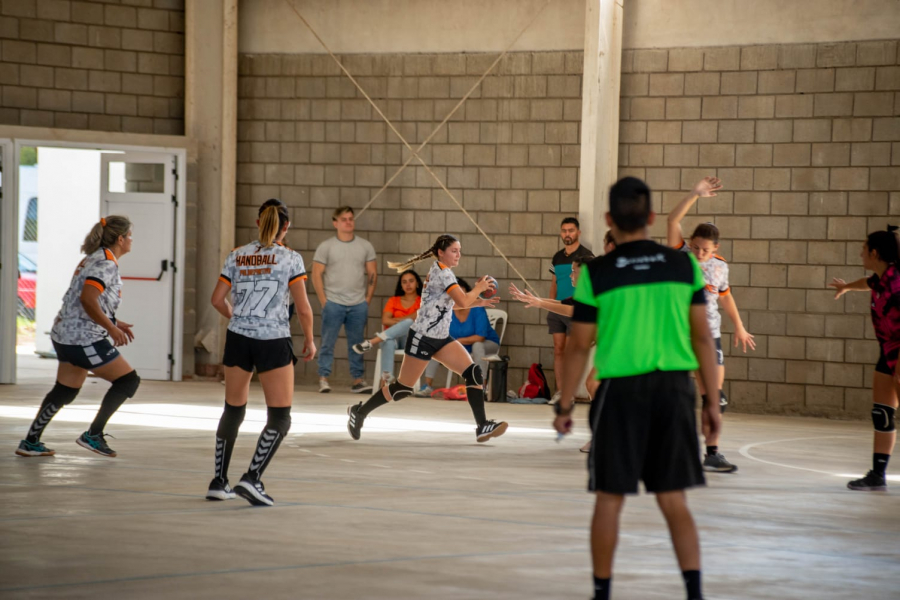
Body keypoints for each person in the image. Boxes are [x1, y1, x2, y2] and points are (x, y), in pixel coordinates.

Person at [556, 176, 721, 600]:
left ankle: (602, 592)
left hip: (619, 395)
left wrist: (565, 404)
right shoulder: (682, 265)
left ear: (609, 219)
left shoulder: (597, 272)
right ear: (651, 216)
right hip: (673, 391)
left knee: (609, 500)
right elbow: (703, 338)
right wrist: (710, 402)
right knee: (674, 500)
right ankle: (694, 593)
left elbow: (578, 346)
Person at [346, 234, 507, 442]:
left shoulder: (442, 271)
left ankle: (482, 426)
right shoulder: (444, 273)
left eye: (459, 251)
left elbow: (449, 304)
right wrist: (479, 289)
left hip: (441, 338)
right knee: (402, 389)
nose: (458, 255)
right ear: (441, 252)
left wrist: (477, 302)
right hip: (422, 338)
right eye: (454, 251)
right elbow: (462, 301)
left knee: (473, 372)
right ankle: (359, 412)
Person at [208, 199, 316, 506]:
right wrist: (310, 340)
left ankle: (218, 481)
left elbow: (216, 300)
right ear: (287, 226)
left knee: (233, 409)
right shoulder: (290, 258)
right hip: (273, 339)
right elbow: (303, 308)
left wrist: (238, 317)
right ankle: (252, 477)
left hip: (238, 338)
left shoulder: (237, 255)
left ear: (258, 223)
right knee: (280, 416)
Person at [15, 216, 141, 459]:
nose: (131, 240)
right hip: (83, 338)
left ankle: (30, 441)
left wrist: (114, 322)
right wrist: (111, 328)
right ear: (120, 239)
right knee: (128, 381)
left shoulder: (94, 258)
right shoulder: (105, 263)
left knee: (65, 390)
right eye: (130, 236)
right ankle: (93, 434)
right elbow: (87, 299)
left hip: (66, 334)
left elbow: (86, 301)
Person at [667, 177, 755, 474]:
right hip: (679, 334)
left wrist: (739, 326)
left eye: (705, 250)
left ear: (715, 248)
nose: (699, 253)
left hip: (709, 334)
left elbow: (725, 297)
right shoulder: (680, 254)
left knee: (715, 398)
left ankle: (712, 453)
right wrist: (694, 193)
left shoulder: (720, 266)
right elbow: (672, 220)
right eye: (695, 247)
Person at [829, 225, 900, 492]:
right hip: (887, 352)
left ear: (874, 253)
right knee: (881, 413)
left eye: (864, 249)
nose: (861, 254)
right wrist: (846, 287)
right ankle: (877, 475)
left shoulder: (897, 283)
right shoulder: (880, 279)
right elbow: (866, 283)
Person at [312, 206, 377, 394]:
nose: (348, 222)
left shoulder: (365, 246)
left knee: (357, 344)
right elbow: (316, 274)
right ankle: (323, 378)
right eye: (344, 219)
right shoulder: (326, 246)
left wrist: (367, 299)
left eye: (350, 219)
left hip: (358, 304)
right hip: (333, 303)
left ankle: (358, 380)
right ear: (335, 223)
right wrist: (324, 301)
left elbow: (373, 273)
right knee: (327, 342)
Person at [418, 277, 501, 395]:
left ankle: (481, 387)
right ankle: (427, 386)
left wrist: (457, 341)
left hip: (487, 343)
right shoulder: (447, 310)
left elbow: (480, 337)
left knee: (477, 345)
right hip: (461, 345)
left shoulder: (477, 308)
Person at [548, 217, 594, 401]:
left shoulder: (585, 256)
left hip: (575, 309)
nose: (567, 234)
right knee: (558, 349)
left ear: (578, 233)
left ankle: (570, 391)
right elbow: (554, 284)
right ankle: (561, 392)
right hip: (558, 308)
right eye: (564, 230)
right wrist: (551, 305)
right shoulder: (557, 257)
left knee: (570, 351)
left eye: (571, 230)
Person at [352, 269, 423, 387]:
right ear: (401, 285)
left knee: (409, 322)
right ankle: (385, 382)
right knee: (388, 341)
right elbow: (385, 320)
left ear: (417, 283)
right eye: (404, 282)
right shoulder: (393, 301)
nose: (408, 284)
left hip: (411, 340)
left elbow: (415, 318)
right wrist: (404, 322)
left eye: (411, 281)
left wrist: (397, 321)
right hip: (393, 339)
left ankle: (372, 341)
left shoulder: (423, 301)